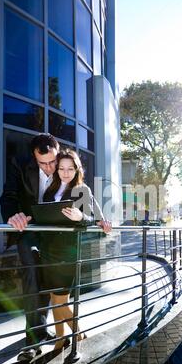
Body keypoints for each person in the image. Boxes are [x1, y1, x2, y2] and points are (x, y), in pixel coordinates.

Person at [40, 149, 111, 350]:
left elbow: (94, 219)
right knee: (55, 299)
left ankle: (80, 336)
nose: (65, 172)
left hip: (67, 252)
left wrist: (81, 217)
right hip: (48, 250)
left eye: (70, 168)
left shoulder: (82, 190)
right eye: (61, 168)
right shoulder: (49, 190)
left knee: (61, 302)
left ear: (77, 169)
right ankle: (60, 340)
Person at [0, 133, 60, 361]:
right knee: (32, 275)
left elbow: (83, 194)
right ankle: (32, 342)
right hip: (29, 231)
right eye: (42, 163)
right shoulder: (20, 164)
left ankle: (42, 328)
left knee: (49, 278)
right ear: (34, 158)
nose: (48, 168)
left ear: (58, 152)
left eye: (52, 161)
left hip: (56, 235)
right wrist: (13, 214)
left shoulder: (66, 165)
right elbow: (8, 196)